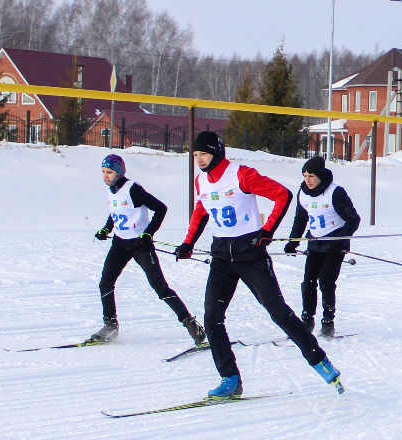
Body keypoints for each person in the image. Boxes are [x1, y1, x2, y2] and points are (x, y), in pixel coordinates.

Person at [174, 131, 343, 397]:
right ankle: (229, 378)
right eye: (195, 155)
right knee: (212, 317)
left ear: (216, 152)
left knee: (278, 312)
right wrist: (188, 243)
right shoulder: (201, 182)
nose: (199, 159)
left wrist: (267, 231)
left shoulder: (241, 174)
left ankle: (319, 360)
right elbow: (201, 211)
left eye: (203, 153)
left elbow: (282, 195)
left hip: (249, 254)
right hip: (221, 256)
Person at [91, 153, 207, 348]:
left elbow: (161, 208)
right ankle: (110, 325)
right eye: (103, 172)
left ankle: (192, 325)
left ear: (119, 172)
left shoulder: (133, 189)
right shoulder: (111, 191)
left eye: (109, 172)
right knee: (105, 283)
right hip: (119, 244)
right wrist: (106, 229)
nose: (106, 176)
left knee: (160, 287)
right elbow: (116, 213)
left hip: (140, 246)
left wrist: (148, 233)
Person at [284, 156, 360, 338]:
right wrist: (293, 241)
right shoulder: (303, 193)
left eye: (311, 176)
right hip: (315, 243)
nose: (307, 180)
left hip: (335, 244)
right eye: (304, 175)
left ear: (320, 176)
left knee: (326, 281)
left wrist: (340, 240)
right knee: (308, 281)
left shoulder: (335, 192)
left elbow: (353, 219)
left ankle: (328, 321)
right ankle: (307, 319)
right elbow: (301, 219)